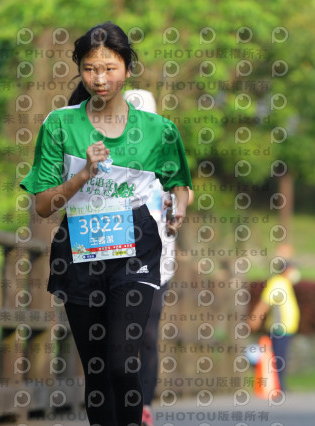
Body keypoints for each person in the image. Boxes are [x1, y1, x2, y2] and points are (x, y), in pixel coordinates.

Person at [19, 22, 192, 426]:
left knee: (121, 363)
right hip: (80, 249)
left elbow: (180, 183)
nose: (100, 78)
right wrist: (83, 175)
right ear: (79, 69)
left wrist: (179, 205)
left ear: (128, 68)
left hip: (136, 250)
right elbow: (44, 205)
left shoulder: (159, 130)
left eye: (110, 68)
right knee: (96, 372)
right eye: (91, 69)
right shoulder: (59, 125)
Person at [123, 89, 193, 426]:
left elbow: (184, 189)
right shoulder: (110, 160)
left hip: (156, 262)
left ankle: (142, 406)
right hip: (112, 259)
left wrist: (178, 207)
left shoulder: (166, 158)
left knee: (146, 334)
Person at [248, 245, 301, 391]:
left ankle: (279, 385)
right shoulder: (277, 283)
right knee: (278, 358)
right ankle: (278, 386)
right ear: (286, 270)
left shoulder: (285, 284)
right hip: (279, 328)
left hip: (286, 328)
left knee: (281, 356)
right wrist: (255, 319)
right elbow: (265, 303)